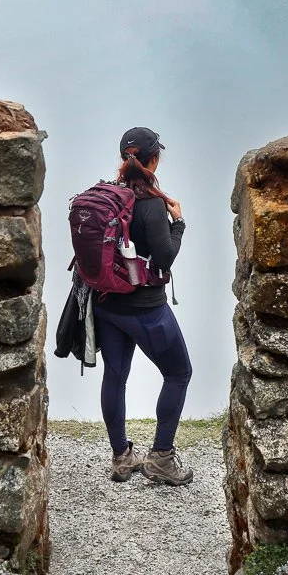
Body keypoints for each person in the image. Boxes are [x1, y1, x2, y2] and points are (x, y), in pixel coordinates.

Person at [92, 126, 193, 486]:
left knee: (115, 377)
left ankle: (121, 458)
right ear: (154, 159)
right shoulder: (151, 204)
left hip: (106, 306)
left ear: (123, 158)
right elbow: (165, 258)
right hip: (146, 310)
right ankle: (162, 458)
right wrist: (178, 222)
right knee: (179, 373)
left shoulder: (106, 196)